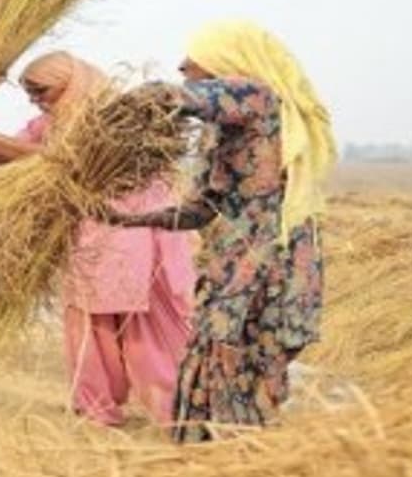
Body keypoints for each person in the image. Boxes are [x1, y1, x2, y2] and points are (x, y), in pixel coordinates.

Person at [107, 22, 333, 442]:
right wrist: (131, 221)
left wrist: (109, 116)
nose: (182, 66)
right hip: (234, 259)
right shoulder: (221, 130)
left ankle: (248, 468)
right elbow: (199, 210)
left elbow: (174, 96)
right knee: (216, 357)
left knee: (246, 362)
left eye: (193, 59)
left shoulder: (256, 97)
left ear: (224, 62)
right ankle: (216, 466)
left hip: (270, 258)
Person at [0, 51, 196, 427]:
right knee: (89, 325)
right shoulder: (50, 122)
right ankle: (96, 411)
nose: (36, 100)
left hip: (136, 231)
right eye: (30, 94)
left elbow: (62, 160)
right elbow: (5, 159)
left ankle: (173, 411)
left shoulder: (116, 117)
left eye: (41, 91)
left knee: (140, 326)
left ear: (71, 81)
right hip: (90, 239)